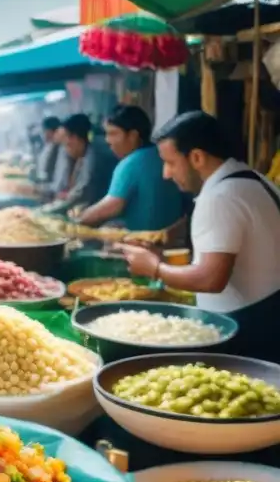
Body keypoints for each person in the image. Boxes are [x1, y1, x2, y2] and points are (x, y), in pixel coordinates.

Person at [120, 111, 280, 359]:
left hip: (249, 333)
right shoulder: (254, 180)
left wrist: (154, 268)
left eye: (171, 162)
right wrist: (158, 255)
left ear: (196, 157)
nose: (166, 173)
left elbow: (210, 279)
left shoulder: (220, 196)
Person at [79, 105, 186, 231]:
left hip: (143, 243)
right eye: (106, 134)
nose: (108, 140)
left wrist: (78, 220)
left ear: (132, 136)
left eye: (113, 133)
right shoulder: (162, 155)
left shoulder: (131, 163)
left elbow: (111, 206)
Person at [53, 114, 117, 212]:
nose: (67, 150)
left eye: (67, 145)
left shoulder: (95, 153)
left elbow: (84, 189)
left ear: (75, 138)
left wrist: (52, 208)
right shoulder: (88, 151)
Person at [35, 116, 62, 185]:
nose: (43, 134)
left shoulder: (59, 148)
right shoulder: (47, 146)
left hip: (50, 186)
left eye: (44, 131)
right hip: (43, 184)